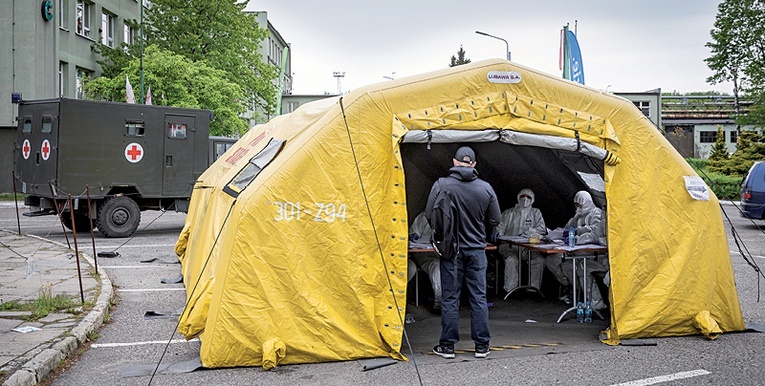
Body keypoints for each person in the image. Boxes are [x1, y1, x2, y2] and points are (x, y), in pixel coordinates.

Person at [426, 146, 501, 359]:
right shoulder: (486, 188)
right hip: (477, 250)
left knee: (450, 298)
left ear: (454, 162)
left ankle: (447, 347)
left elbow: (430, 215)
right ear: (474, 165)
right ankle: (482, 346)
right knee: (479, 297)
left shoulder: (441, 185)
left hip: (451, 251)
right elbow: (496, 220)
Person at [545, 191, 608, 310]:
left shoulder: (598, 215)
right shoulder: (578, 216)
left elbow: (600, 236)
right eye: (576, 205)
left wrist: (577, 233)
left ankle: (596, 302)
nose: (578, 208)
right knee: (567, 266)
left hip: (602, 257)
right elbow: (592, 234)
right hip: (582, 252)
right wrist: (572, 237)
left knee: (583, 267)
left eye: (580, 205)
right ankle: (579, 295)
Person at [496, 188, 547, 295]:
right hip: (509, 246)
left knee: (538, 260)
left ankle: (533, 289)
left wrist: (530, 232)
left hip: (528, 247)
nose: (525, 199)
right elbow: (500, 228)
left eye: (528, 197)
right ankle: (510, 290)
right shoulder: (508, 213)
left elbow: (541, 228)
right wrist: (498, 233)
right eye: (522, 196)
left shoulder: (535, 213)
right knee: (512, 260)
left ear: (532, 199)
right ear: (518, 197)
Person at [408, 212, 442, 310]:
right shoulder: (424, 217)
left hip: (447, 254)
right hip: (427, 254)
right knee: (436, 265)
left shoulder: (454, 215)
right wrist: (414, 237)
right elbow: (413, 234)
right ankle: (439, 300)